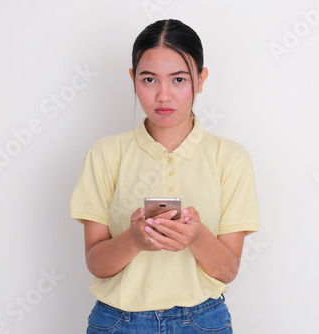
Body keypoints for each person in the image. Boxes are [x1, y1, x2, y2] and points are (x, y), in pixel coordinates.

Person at [70, 18, 260, 334]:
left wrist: (197, 237)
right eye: (149, 80)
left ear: (201, 79)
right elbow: (96, 264)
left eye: (179, 80)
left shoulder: (230, 158)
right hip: (118, 322)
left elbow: (227, 270)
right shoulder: (105, 153)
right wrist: (133, 240)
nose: (163, 96)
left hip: (203, 322)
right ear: (132, 79)